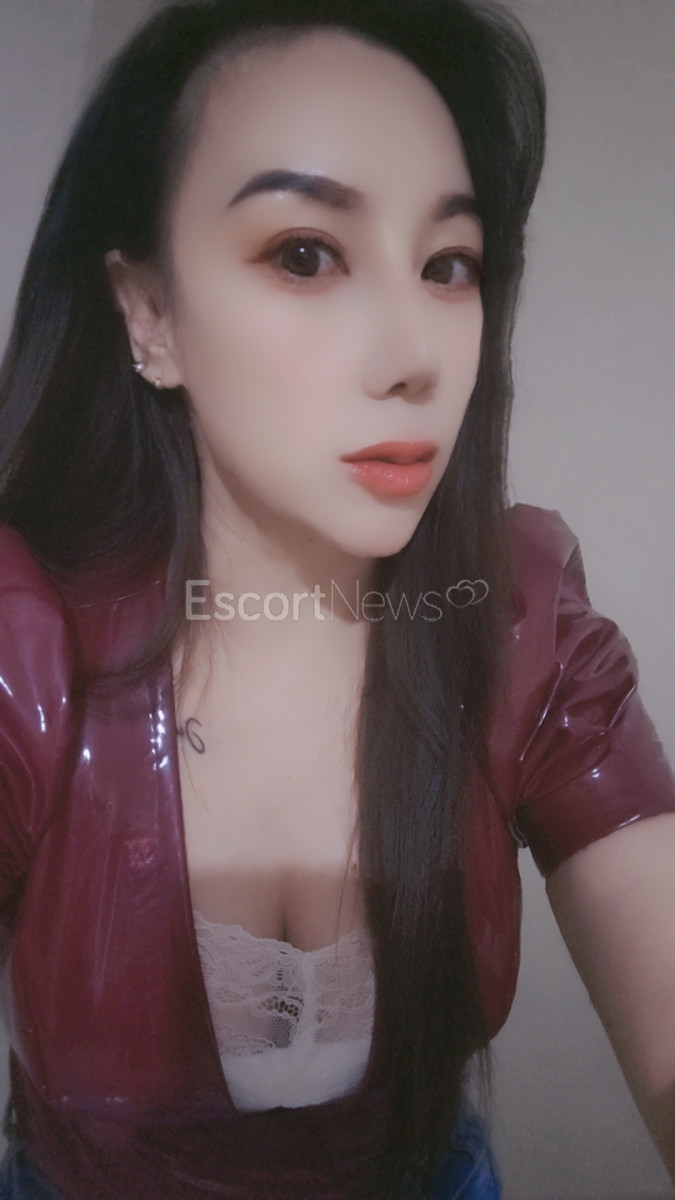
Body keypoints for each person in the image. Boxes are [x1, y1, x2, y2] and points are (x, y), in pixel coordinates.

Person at [0, 0, 673, 1197]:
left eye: (448, 265)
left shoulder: (519, 624)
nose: (414, 354)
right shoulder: (24, 644)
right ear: (150, 314)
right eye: (306, 253)